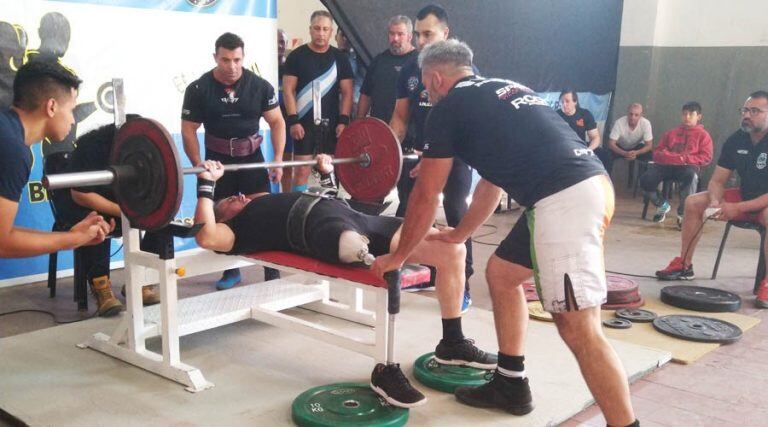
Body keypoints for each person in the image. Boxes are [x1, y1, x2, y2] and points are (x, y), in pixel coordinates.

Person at [373, 40, 638, 426]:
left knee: (579, 329)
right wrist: (460, 233)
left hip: (563, 201)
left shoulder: (448, 107)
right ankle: (511, 383)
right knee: (501, 274)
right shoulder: (503, 90)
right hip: (585, 187)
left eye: (427, 90)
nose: (427, 96)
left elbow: (427, 195)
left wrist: (398, 257)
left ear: (434, 78)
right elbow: (490, 185)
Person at [193, 155, 497, 408]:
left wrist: (324, 173)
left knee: (453, 250)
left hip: (359, 218)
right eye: (230, 201)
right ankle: (385, 369)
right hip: (324, 231)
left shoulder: (268, 199)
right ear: (223, 217)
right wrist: (207, 184)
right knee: (357, 249)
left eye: (237, 194)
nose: (240, 196)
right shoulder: (240, 231)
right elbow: (206, 235)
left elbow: (330, 198)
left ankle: (453, 342)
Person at [181, 32, 286, 290]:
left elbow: (277, 122)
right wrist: (198, 165)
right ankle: (230, 270)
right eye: (225, 60)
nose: (232, 66)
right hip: (217, 163)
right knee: (218, 218)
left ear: (243, 57)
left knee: (263, 212)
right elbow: (188, 129)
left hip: (252, 158)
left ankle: (270, 268)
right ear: (215, 57)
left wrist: (279, 159)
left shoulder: (260, 86)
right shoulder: (198, 89)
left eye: (237, 60)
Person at [390, 4, 474, 312]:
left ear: (445, 34)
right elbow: (400, 116)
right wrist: (390, 152)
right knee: (407, 210)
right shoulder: (410, 70)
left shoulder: (462, 70)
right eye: (418, 34)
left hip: (456, 155)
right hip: (417, 154)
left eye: (428, 34)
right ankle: (400, 270)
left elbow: (468, 123)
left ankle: (462, 282)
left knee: (456, 213)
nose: (421, 40)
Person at [656, 91, 768, 307]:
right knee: (694, 202)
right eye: (745, 110)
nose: (747, 115)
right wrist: (716, 202)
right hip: (745, 195)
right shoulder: (736, 139)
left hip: (762, 202)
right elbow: (717, 180)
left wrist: (738, 207)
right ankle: (684, 265)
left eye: (755, 111)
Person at [0, 60, 112, 259]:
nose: (73, 120)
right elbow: (2, 243)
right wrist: (73, 240)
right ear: (51, 106)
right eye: (71, 110)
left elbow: (5, 234)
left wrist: (71, 237)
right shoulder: (13, 150)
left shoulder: (7, 133)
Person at [54, 122, 160, 316]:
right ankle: (101, 287)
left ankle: (140, 281)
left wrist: (141, 210)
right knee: (97, 223)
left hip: (117, 203)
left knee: (161, 219)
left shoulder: (142, 150)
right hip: (81, 204)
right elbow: (81, 195)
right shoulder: (90, 148)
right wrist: (124, 212)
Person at [282, 10, 353, 192]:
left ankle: (329, 210)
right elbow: (288, 90)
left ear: (331, 32)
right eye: (317, 28)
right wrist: (293, 120)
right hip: (303, 124)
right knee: (302, 170)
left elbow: (347, 92)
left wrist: (344, 121)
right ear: (310, 30)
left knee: (329, 169)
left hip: (331, 124)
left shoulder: (340, 58)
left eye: (325, 29)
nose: (321, 33)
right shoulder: (296, 56)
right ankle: (297, 210)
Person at [640, 102, 712, 224]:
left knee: (691, 176)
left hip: (686, 168)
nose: (687, 117)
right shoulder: (671, 133)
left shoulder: (703, 135)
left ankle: (683, 215)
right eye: (684, 114)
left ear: (699, 116)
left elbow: (706, 157)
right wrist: (670, 157)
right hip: (666, 166)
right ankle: (661, 204)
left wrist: (684, 159)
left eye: (691, 114)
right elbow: (657, 152)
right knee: (646, 179)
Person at [356, 15, 417, 123]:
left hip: (410, 133)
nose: (395, 38)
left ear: (410, 36)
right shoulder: (379, 61)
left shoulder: (420, 62)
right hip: (380, 130)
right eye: (392, 33)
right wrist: (358, 123)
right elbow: (366, 95)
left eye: (400, 34)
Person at [557, 89, 611, 168]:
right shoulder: (555, 115)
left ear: (575, 102)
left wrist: (588, 150)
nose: (564, 104)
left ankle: (605, 179)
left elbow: (595, 138)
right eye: (562, 102)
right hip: (563, 148)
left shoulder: (584, 114)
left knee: (606, 155)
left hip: (581, 147)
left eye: (567, 101)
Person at [605, 103, 653, 173]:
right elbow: (611, 144)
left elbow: (649, 146)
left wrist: (636, 153)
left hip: (636, 147)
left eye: (636, 115)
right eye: (631, 114)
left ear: (641, 116)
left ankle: (641, 181)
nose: (632, 117)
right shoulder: (619, 122)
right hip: (620, 147)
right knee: (607, 155)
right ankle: (606, 179)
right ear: (627, 113)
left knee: (649, 156)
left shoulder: (646, 123)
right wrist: (624, 153)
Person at [335, 28, 365, 115]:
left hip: (355, 105)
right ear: (336, 37)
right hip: (335, 106)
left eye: (347, 36)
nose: (345, 39)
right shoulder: (330, 57)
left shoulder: (361, 59)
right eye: (342, 35)